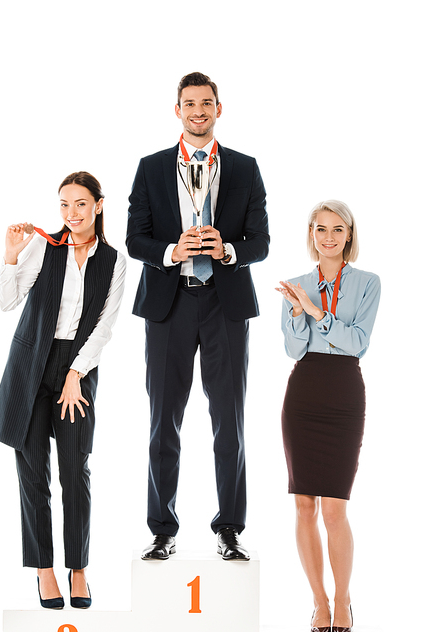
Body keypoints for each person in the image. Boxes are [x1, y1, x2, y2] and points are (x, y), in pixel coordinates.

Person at [127, 72, 269, 561]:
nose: (198, 111)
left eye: (206, 103)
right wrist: (171, 250)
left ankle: (229, 528)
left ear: (218, 108)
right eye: (189, 103)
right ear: (178, 110)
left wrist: (228, 249)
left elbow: (262, 242)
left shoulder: (246, 169)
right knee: (162, 421)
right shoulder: (150, 169)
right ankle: (163, 529)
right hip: (168, 307)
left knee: (229, 422)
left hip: (224, 306)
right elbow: (134, 240)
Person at [0, 172, 126, 609]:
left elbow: (105, 325)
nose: (71, 213)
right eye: (64, 204)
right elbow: (7, 302)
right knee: (33, 475)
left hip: (78, 371)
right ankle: (45, 570)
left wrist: (75, 373)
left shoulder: (114, 260)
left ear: (98, 206)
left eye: (80, 204)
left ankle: (78, 568)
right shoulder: (45, 246)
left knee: (75, 471)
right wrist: (10, 256)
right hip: (30, 368)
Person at [276, 200, 380, 632]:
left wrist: (316, 312)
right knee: (303, 505)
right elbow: (293, 349)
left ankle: (343, 599)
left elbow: (356, 342)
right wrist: (299, 313)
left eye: (339, 229)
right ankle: (319, 601)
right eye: (322, 229)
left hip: (342, 393)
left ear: (349, 235)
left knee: (334, 508)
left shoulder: (368, 283)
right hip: (303, 393)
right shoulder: (297, 284)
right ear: (312, 234)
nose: (330, 237)